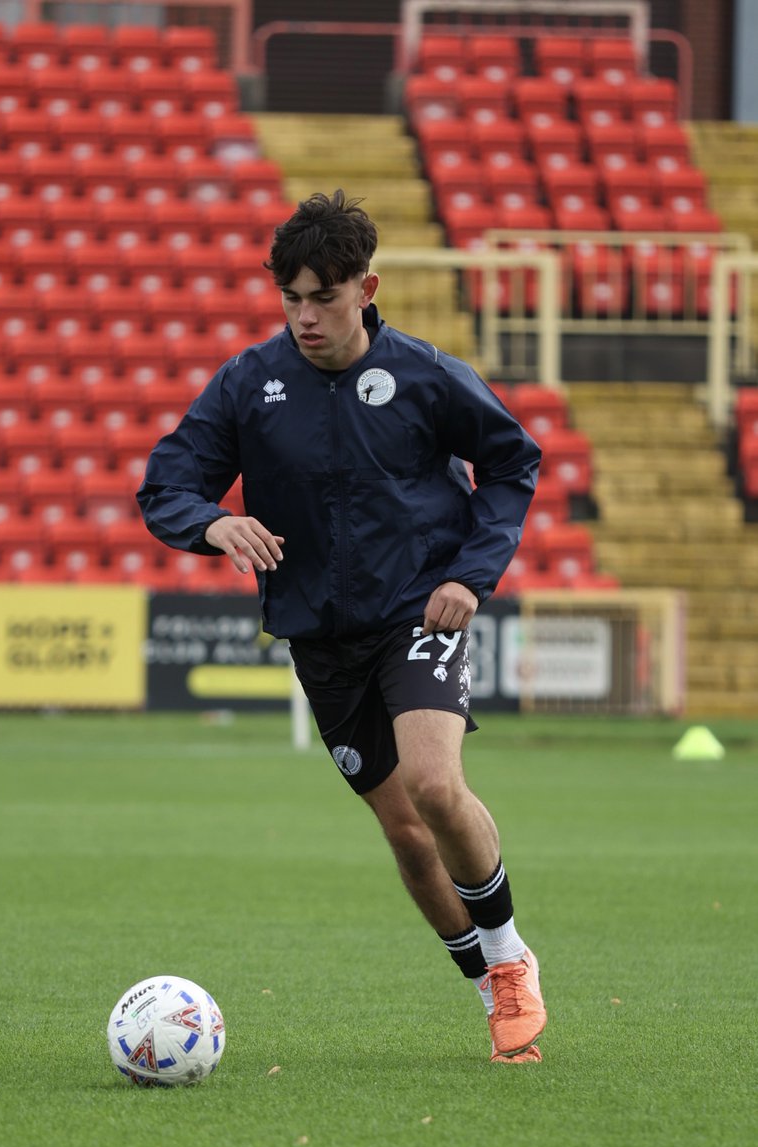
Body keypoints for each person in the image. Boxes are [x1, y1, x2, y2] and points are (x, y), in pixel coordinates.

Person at [137, 190, 547, 1064]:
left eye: (323, 297)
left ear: (367, 288)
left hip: (418, 611)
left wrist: (472, 577)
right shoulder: (251, 384)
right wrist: (212, 524)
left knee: (436, 787)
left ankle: (511, 960)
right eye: (291, 298)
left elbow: (513, 460)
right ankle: (483, 986)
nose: (305, 316)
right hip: (321, 637)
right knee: (405, 832)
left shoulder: (426, 374)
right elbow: (166, 484)